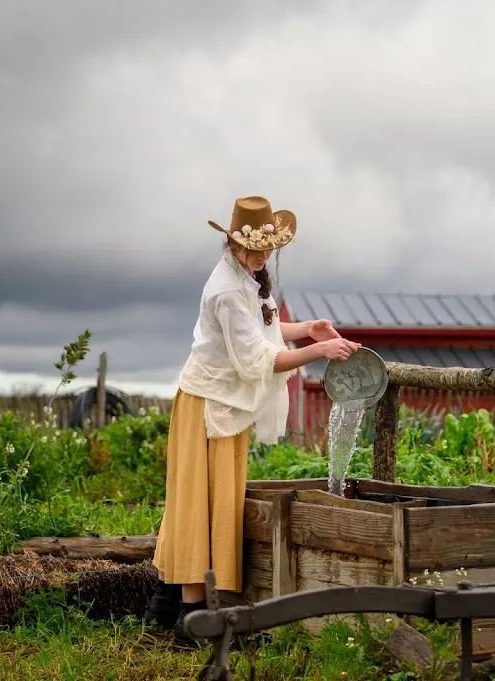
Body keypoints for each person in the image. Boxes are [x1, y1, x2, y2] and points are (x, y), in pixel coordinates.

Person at [143, 196, 361, 645]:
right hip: (209, 404)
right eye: (255, 247)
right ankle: (193, 618)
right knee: (202, 504)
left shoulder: (247, 279)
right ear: (234, 243)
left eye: (269, 247)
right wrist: (319, 352)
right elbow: (254, 360)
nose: (263, 256)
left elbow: (262, 329)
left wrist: (308, 329)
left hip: (224, 403)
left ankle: (164, 605)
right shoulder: (225, 290)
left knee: (203, 499)